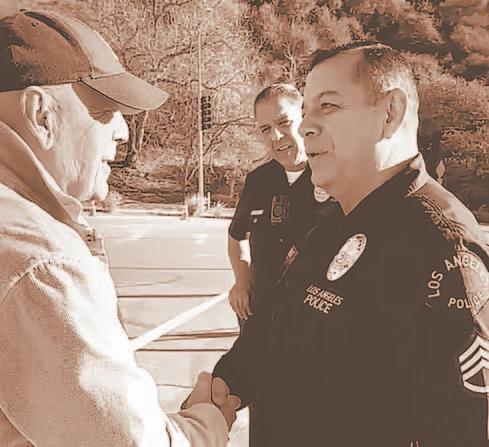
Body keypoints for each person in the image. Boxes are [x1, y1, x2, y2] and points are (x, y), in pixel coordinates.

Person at [212, 41, 489, 446]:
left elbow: (465, 429)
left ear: (390, 113)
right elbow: (278, 334)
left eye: (328, 106)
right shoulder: (330, 223)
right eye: (307, 110)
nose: (305, 127)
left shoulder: (440, 245)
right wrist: (225, 386)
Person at [0, 10, 238, 447]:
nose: (124, 131)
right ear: (41, 115)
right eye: (105, 110)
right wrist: (206, 424)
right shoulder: (42, 262)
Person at [223, 84, 333, 446]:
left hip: (314, 331)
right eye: (265, 129)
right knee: (265, 421)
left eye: (284, 123)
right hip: (261, 324)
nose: (276, 137)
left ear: (305, 118)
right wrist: (242, 279)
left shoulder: (332, 176)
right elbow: (236, 236)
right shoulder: (258, 181)